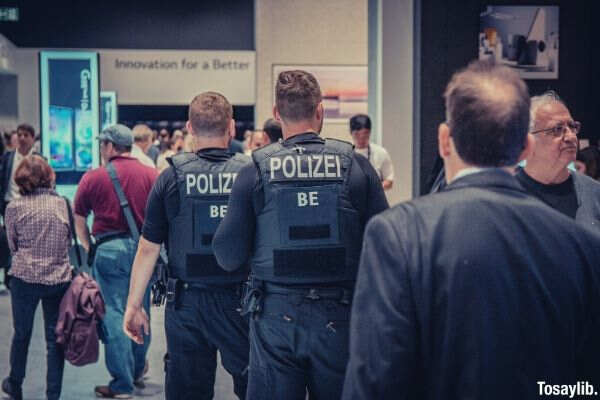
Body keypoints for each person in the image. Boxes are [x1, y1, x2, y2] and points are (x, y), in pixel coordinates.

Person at [342, 60, 600, 400]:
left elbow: (375, 381)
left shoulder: (397, 234)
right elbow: (586, 382)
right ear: (525, 146)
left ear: (444, 140)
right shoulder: (581, 244)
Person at [213, 70, 388, 399]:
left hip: (276, 316)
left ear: (277, 115)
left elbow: (227, 256)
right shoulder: (357, 167)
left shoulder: (255, 171)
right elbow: (386, 250)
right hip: (342, 314)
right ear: (320, 110)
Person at [123, 91, 251, 400]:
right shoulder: (250, 174)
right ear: (232, 128)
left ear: (189, 128)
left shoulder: (170, 178)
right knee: (254, 386)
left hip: (186, 304)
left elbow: (148, 248)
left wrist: (133, 305)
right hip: (242, 302)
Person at [74, 124, 158, 399]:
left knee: (114, 313)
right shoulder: (151, 175)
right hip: (145, 251)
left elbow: (79, 218)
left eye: (102, 145)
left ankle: (122, 384)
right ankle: (135, 371)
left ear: (110, 146)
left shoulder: (94, 177)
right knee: (141, 309)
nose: (101, 150)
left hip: (108, 250)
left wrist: (89, 248)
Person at [1, 155, 72, 400]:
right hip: (58, 279)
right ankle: (53, 394)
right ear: (48, 176)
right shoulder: (62, 204)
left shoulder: (13, 207)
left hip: (24, 279)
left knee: (22, 333)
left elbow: (13, 245)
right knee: (55, 339)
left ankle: (15, 385)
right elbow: (68, 240)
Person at [515, 91, 600, 227]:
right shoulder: (504, 196)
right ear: (528, 141)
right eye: (557, 129)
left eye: (572, 127)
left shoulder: (595, 194)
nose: (571, 137)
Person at [0, 124, 38, 293]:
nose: (22, 138)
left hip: (30, 207)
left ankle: (26, 275)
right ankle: (9, 277)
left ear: (32, 138)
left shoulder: (38, 159)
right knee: (8, 242)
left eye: (26, 135)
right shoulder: (7, 157)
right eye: (20, 135)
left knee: (27, 242)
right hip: (9, 204)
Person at [349, 114, 394, 190]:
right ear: (351, 133)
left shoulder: (381, 153)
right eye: (357, 134)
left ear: (369, 132)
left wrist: (375, 190)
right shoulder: (345, 153)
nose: (361, 138)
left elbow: (389, 180)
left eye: (365, 134)